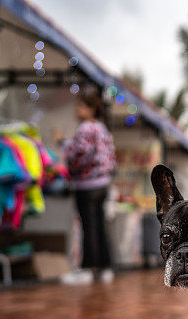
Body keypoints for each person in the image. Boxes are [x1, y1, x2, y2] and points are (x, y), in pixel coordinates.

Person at [54, 89, 116, 284]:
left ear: (90, 109)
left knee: (88, 227)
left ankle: (88, 269)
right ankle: (104, 268)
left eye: (81, 106)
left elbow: (80, 154)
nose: (77, 110)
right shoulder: (103, 129)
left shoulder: (86, 129)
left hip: (87, 185)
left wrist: (63, 145)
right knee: (98, 226)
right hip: (102, 184)